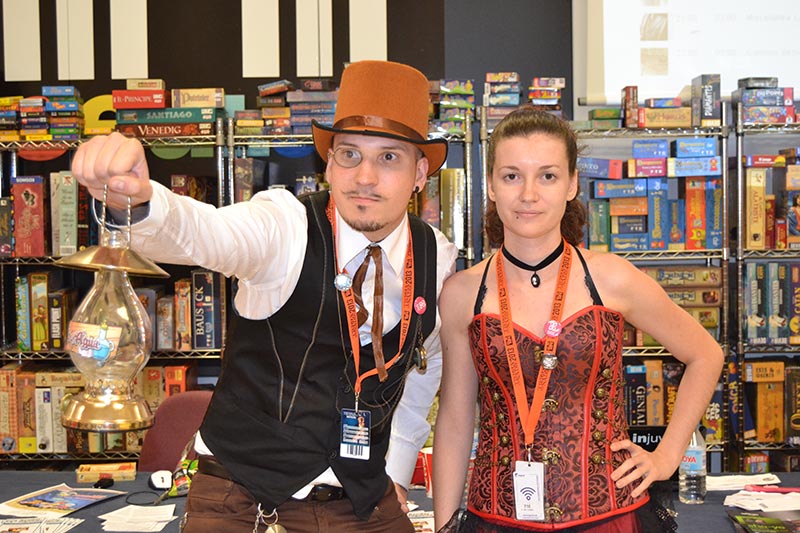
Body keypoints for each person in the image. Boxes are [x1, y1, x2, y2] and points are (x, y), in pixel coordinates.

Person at [70, 60, 458, 532]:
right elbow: (207, 233)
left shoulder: (435, 256)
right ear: (329, 163)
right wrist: (139, 200)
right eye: (349, 154)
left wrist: (397, 466)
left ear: (420, 173)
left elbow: (425, 364)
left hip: (357, 494)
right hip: (239, 491)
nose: (365, 177)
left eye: (389, 158)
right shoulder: (284, 225)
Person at [432, 107, 724, 532]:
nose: (528, 194)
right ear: (491, 185)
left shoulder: (613, 279)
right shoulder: (461, 294)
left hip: (609, 518)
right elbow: (456, 419)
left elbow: (705, 354)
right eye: (512, 176)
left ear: (571, 184)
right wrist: (443, 526)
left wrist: (666, 456)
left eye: (547, 176)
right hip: (496, 518)